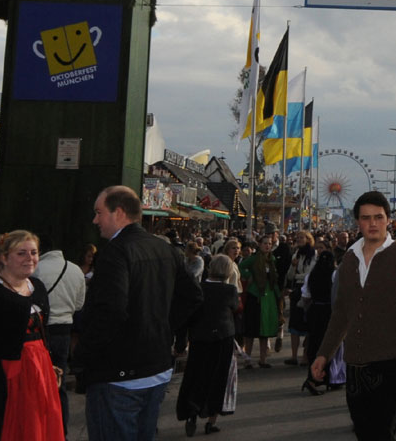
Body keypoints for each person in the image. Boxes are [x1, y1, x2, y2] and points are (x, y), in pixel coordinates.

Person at [76, 185, 203, 441]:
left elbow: (110, 310)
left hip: (119, 374)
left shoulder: (116, 252)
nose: (95, 220)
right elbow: (193, 296)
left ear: (118, 212)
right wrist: (161, 327)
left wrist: (83, 355)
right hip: (155, 369)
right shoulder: (165, 249)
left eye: (99, 212)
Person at [311, 192, 396, 441]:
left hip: (393, 361)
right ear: (357, 222)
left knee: (381, 432)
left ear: (388, 220)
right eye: (366, 218)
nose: (372, 223)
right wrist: (324, 354)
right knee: (363, 430)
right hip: (356, 362)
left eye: (378, 217)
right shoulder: (349, 259)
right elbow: (341, 314)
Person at [0, 230, 64, 440]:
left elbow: (43, 330)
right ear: (3, 257)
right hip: (3, 373)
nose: (30, 258)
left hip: (39, 369)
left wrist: (50, 364)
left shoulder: (38, 288)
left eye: (34, 252)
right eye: (21, 253)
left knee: (38, 423)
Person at [177, 254, 239, 436]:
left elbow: (190, 314)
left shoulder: (199, 288)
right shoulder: (229, 290)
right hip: (223, 337)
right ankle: (211, 419)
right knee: (218, 378)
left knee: (196, 375)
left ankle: (192, 412)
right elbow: (235, 307)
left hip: (200, 337)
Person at [30, 232, 86, 432]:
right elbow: (79, 305)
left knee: (35, 385)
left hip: (40, 332)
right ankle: (61, 429)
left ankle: (41, 429)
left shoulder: (35, 269)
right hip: (65, 331)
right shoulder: (76, 271)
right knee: (58, 384)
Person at [238, 235, 281, 367]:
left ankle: (263, 359)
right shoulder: (253, 259)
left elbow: (274, 278)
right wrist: (248, 276)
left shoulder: (272, 259)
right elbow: (241, 267)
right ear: (259, 244)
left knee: (265, 330)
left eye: (269, 243)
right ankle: (248, 359)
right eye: (265, 243)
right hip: (255, 296)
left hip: (269, 297)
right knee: (251, 330)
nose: (267, 246)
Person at [300, 244, 336, 396]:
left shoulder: (311, 275)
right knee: (328, 345)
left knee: (314, 345)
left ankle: (312, 376)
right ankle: (322, 378)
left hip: (315, 311)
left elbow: (306, 296)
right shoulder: (334, 274)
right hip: (329, 312)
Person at [284, 231, 316, 366]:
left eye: (301, 237)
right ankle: (294, 355)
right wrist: (293, 265)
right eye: (297, 238)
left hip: (308, 289)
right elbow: (290, 275)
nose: (299, 240)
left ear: (308, 239)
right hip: (297, 290)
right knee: (294, 324)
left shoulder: (313, 254)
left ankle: (305, 356)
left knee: (308, 323)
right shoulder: (296, 254)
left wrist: (298, 276)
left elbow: (310, 274)